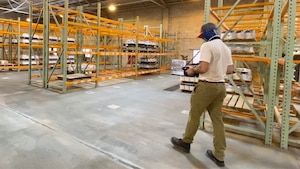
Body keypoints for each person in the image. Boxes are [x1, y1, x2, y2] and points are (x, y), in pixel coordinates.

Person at [170, 22, 233, 167]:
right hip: (221, 87)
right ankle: (219, 155)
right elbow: (229, 70)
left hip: (206, 87)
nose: (203, 39)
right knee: (217, 121)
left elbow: (203, 68)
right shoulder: (226, 48)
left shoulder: (207, 46)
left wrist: (192, 70)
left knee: (194, 115)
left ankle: (186, 142)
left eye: (203, 36)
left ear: (207, 33)